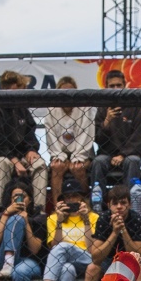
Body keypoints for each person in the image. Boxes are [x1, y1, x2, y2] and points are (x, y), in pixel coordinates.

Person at [0, 71, 48, 208]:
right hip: (5, 156)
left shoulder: (22, 108)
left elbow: (30, 133)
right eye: (19, 87)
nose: (22, 90)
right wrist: (15, 161)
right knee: (2, 164)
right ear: (7, 88)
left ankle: (39, 209)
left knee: (40, 164)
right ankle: (2, 208)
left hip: (23, 155)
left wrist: (31, 149)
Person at [37, 188, 95, 281]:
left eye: (75, 196)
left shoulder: (93, 217)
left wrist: (86, 219)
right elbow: (54, 246)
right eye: (67, 197)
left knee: (63, 246)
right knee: (67, 269)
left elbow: (92, 249)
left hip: (87, 260)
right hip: (63, 261)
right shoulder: (53, 218)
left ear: (82, 199)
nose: (71, 200)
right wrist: (59, 221)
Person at [92, 69, 141, 197]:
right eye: (112, 86)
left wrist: (123, 155)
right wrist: (106, 122)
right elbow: (97, 139)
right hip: (106, 154)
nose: (116, 89)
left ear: (124, 85)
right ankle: (99, 203)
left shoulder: (135, 107)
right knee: (98, 162)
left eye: (118, 85)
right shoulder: (102, 108)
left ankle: (130, 202)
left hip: (129, 154)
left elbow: (138, 138)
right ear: (106, 87)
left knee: (132, 161)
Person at [0, 185, 44, 281]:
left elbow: (35, 249)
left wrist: (25, 222)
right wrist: (6, 214)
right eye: (15, 196)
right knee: (15, 218)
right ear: (10, 199)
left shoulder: (38, 218)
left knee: (20, 272)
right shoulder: (3, 215)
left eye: (23, 196)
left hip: (28, 261)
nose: (19, 199)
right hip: (2, 262)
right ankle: (8, 261)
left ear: (30, 200)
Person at [43, 76, 94, 205]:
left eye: (70, 92)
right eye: (63, 92)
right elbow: (51, 136)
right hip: (60, 151)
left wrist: (78, 157)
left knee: (78, 167)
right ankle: (58, 206)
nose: (67, 95)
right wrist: (59, 156)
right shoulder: (52, 109)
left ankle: (85, 204)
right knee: (57, 166)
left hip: (83, 151)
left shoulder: (84, 108)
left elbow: (86, 134)